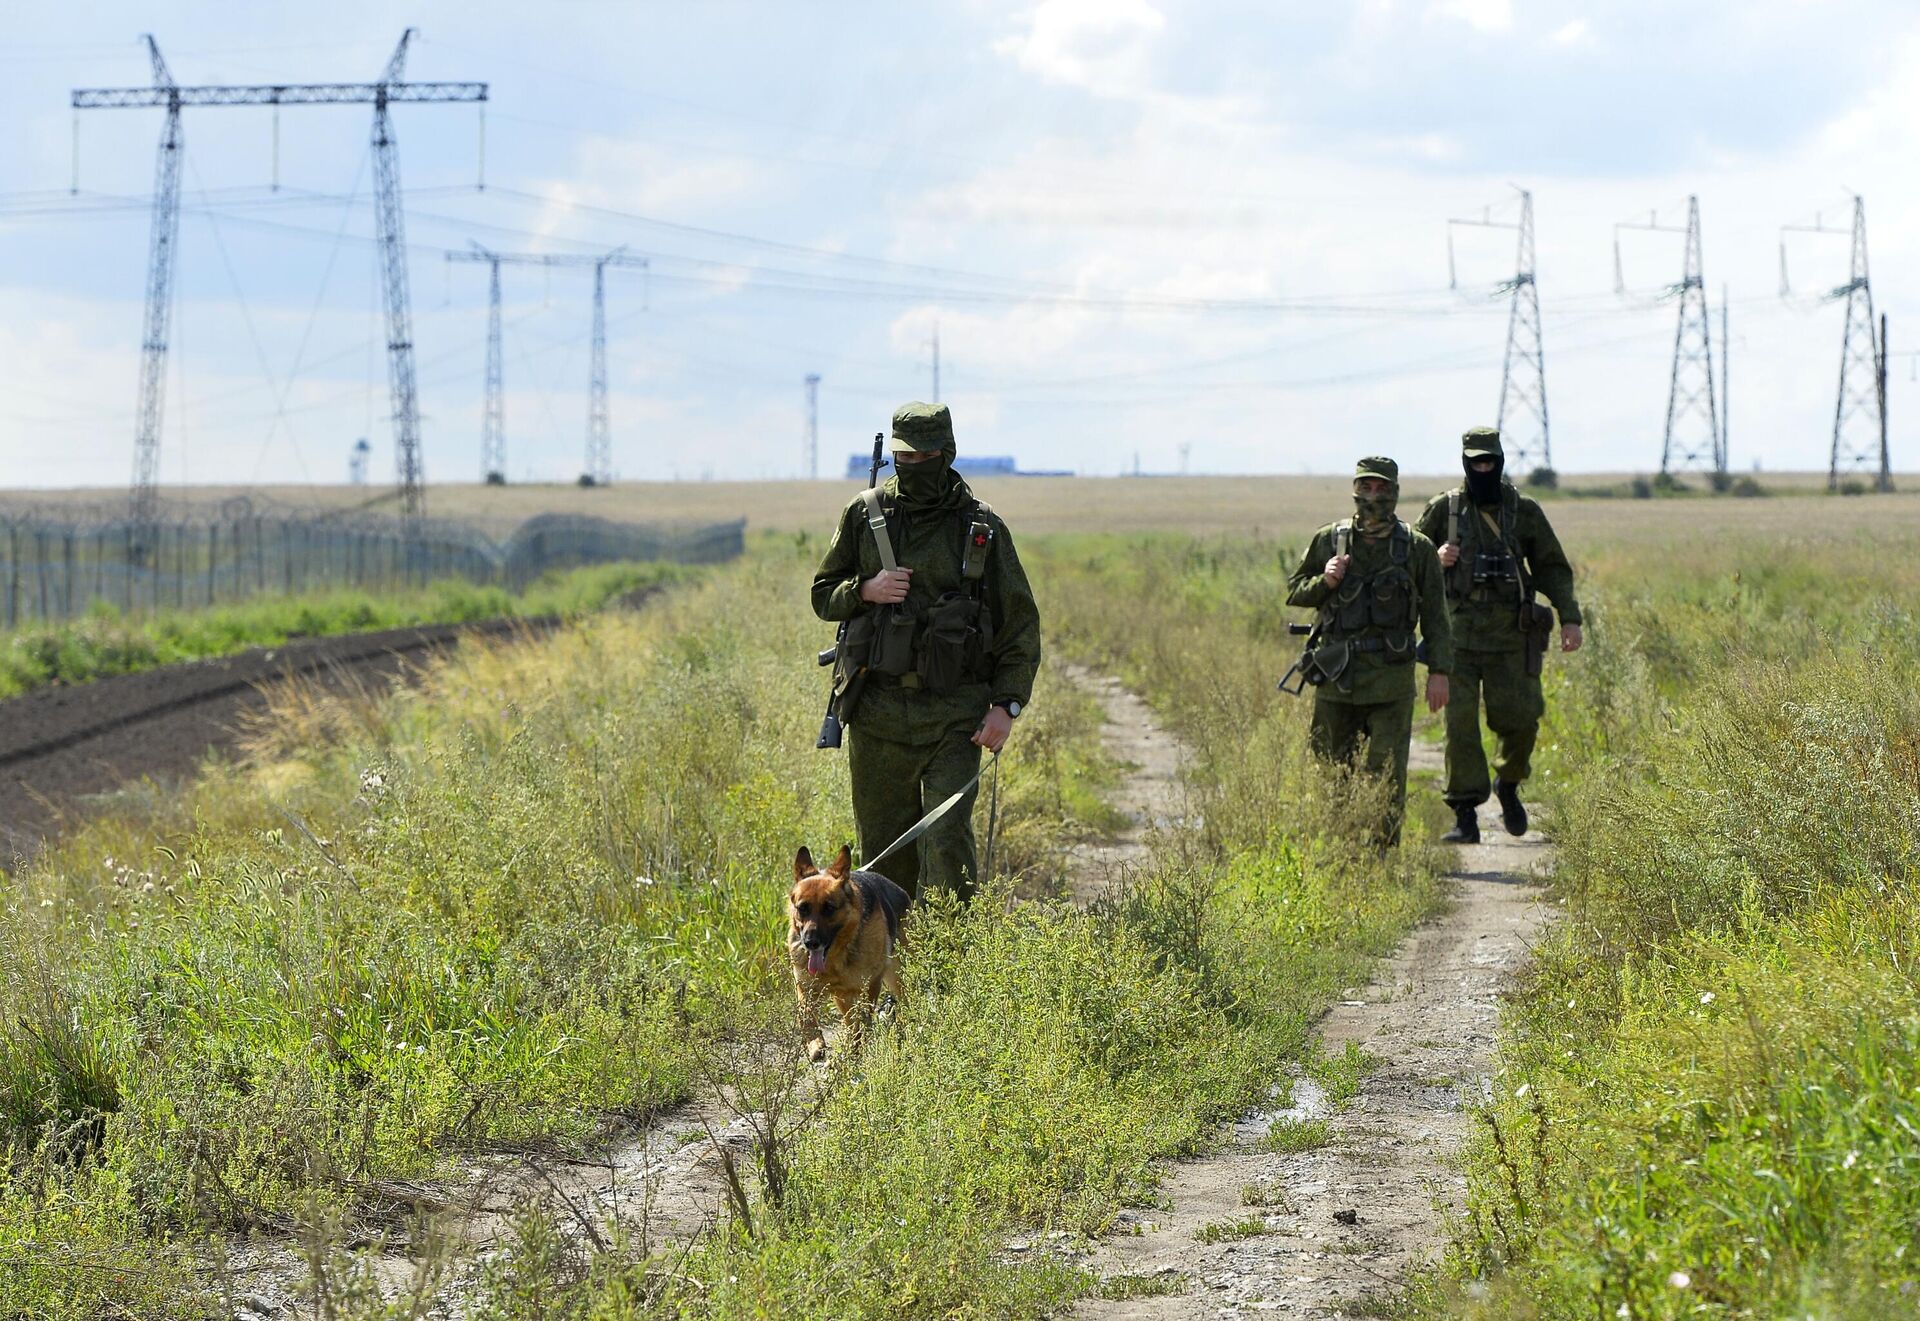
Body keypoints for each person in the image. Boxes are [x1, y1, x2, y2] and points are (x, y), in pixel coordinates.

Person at [810, 402, 1041, 902]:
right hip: (877, 715)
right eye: (904, 458)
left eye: (925, 455)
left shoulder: (981, 529)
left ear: (947, 452)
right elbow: (822, 594)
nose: (914, 466)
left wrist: (1007, 705)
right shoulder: (865, 514)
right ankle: (896, 968)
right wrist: (865, 590)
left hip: (956, 718)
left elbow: (1019, 626)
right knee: (885, 859)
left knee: (947, 847)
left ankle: (953, 968)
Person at [1414, 427, 1583, 843]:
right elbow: (1411, 566)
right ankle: (1465, 814)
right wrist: (1436, 559)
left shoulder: (1522, 510)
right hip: (1457, 642)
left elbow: (1552, 567)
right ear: (1465, 463)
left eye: (1489, 460)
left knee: (1523, 720)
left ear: (1501, 460)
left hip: (1512, 638)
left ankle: (1508, 784)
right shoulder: (1444, 510)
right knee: (1461, 728)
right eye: (1476, 462)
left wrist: (1570, 618)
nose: (1483, 468)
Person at [1285, 456, 1452, 847]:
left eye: (1382, 489)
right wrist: (1325, 580)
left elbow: (1436, 617)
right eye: (1366, 487)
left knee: (1387, 772)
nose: (1373, 496)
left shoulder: (1417, 548)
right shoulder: (1330, 538)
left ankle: (1381, 856)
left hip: (1390, 678)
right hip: (1337, 676)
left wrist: (1440, 672)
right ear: (1355, 489)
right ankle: (1339, 848)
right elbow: (1295, 590)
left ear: (1394, 492)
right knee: (1331, 769)